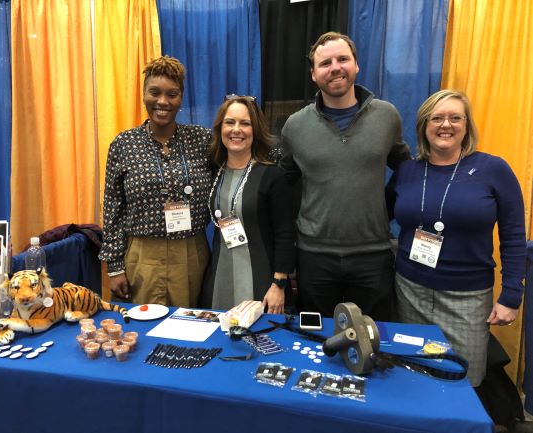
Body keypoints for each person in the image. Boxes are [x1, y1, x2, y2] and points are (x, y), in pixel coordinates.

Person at [385, 89, 526, 386]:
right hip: (409, 292)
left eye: (455, 118)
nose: (445, 125)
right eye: (436, 118)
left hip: (467, 299)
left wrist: (512, 295)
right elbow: (377, 215)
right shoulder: (407, 171)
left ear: (467, 125)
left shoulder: (493, 169)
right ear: (424, 125)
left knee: (464, 383)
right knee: (412, 378)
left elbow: (513, 236)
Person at [280, 32, 411, 320]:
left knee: (372, 338)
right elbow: (283, 187)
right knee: (316, 337)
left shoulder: (387, 116)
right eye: (325, 63)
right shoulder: (295, 126)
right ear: (313, 74)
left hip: (373, 254)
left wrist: (387, 208)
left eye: (343, 59)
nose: (335, 68)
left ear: (356, 65)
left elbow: (406, 170)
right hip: (314, 256)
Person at [99, 55, 211, 307]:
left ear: (181, 97)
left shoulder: (202, 140)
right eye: (155, 92)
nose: (163, 101)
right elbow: (113, 209)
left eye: (172, 94)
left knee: (190, 323)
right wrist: (114, 267)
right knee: (141, 324)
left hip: (191, 255)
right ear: (143, 94)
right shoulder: (124, 144)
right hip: (141, 256)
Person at [200, 96, 296, 314]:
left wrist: (279, 284)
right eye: (230, 122)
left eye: (245, 123)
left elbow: (285, 234)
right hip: (219, 279)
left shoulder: (272, 176)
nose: (236, 130)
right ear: (220, 128)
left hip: (262, 282)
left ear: (256, 130)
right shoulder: (214, 172)